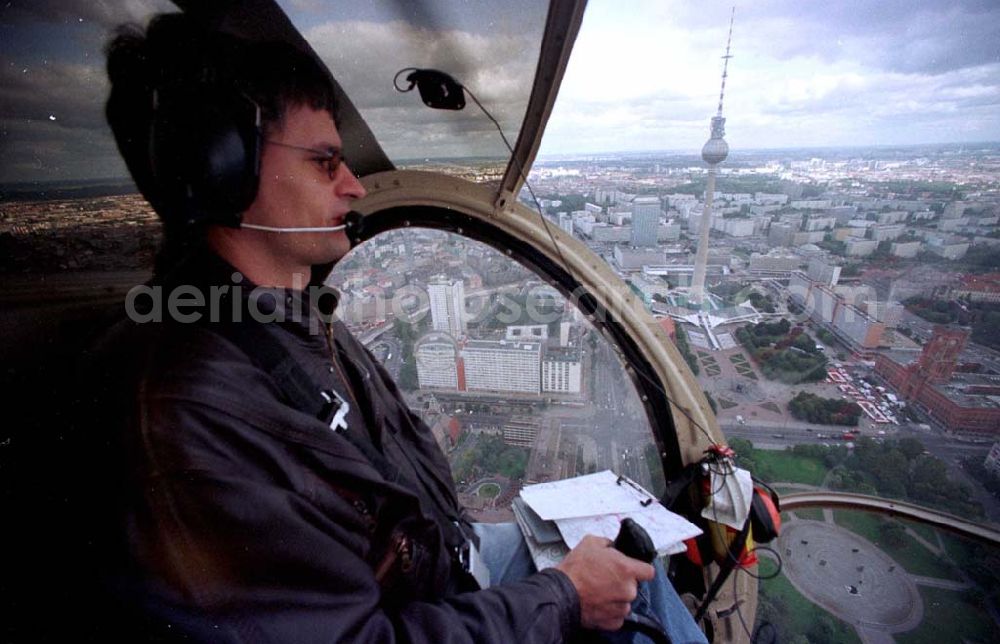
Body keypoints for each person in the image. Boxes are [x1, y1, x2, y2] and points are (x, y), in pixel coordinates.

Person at [79, 12, 706, 644]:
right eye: (326, 162)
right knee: (639, 608)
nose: (353, 186)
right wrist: (563, 599)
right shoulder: (187, 413)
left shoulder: (288, 322)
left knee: (631, 568)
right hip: (428, 603)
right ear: (220, 169)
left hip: (447, 564)